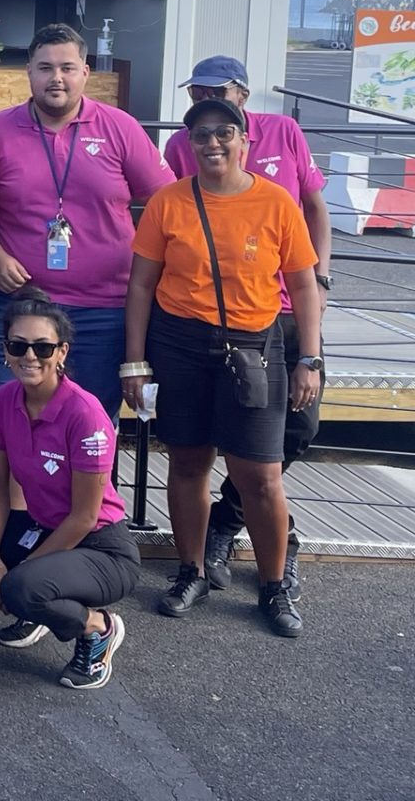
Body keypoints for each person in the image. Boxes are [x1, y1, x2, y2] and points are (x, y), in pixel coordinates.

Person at [124, 96, 324, 639]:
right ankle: (190, 571)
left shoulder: (276, 202)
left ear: (244, 140)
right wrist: (134, 362)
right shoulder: (169, 202)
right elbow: (141, 284)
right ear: (189, 146)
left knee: (258, 474)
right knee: (188, 463)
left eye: (223, 132)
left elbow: (304, 284)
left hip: (256, 346)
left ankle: (273, 583)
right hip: (180, 342)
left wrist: (310, 357)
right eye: (201, 135)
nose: (212, 142)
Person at [161, 55, 332, 598]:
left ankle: (241, 533)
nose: (209, 128)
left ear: (241, 95)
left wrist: (320, 285)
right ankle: (209, 546)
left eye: (216, 94)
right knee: (197, 451)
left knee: (286, 442)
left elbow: (313, 206)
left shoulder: (282, 132)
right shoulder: (178, 153)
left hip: (276, 316)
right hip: (198, 324)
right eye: (196, 97)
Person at [0, 292, 142, 690]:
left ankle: (97, 627)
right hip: (42, 526)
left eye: (43, 346)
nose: (30, 356)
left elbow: (84, 516)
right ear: (6, 352)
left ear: (61, 352)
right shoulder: (6, 398)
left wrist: (18, 573)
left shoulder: (85, 414)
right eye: (19, 346)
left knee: (20, 587)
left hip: (102, 547)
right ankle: (35, 603)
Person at [0, 23, 171, 417]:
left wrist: (149, 269)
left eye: (67, 67)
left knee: (90, 433)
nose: (56, 78)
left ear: (85, 72)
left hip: (104, 312)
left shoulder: (120, 128)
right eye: (45, 68)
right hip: (19, 305)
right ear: (28, 73)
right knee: (13, 426)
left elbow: (168, 203)